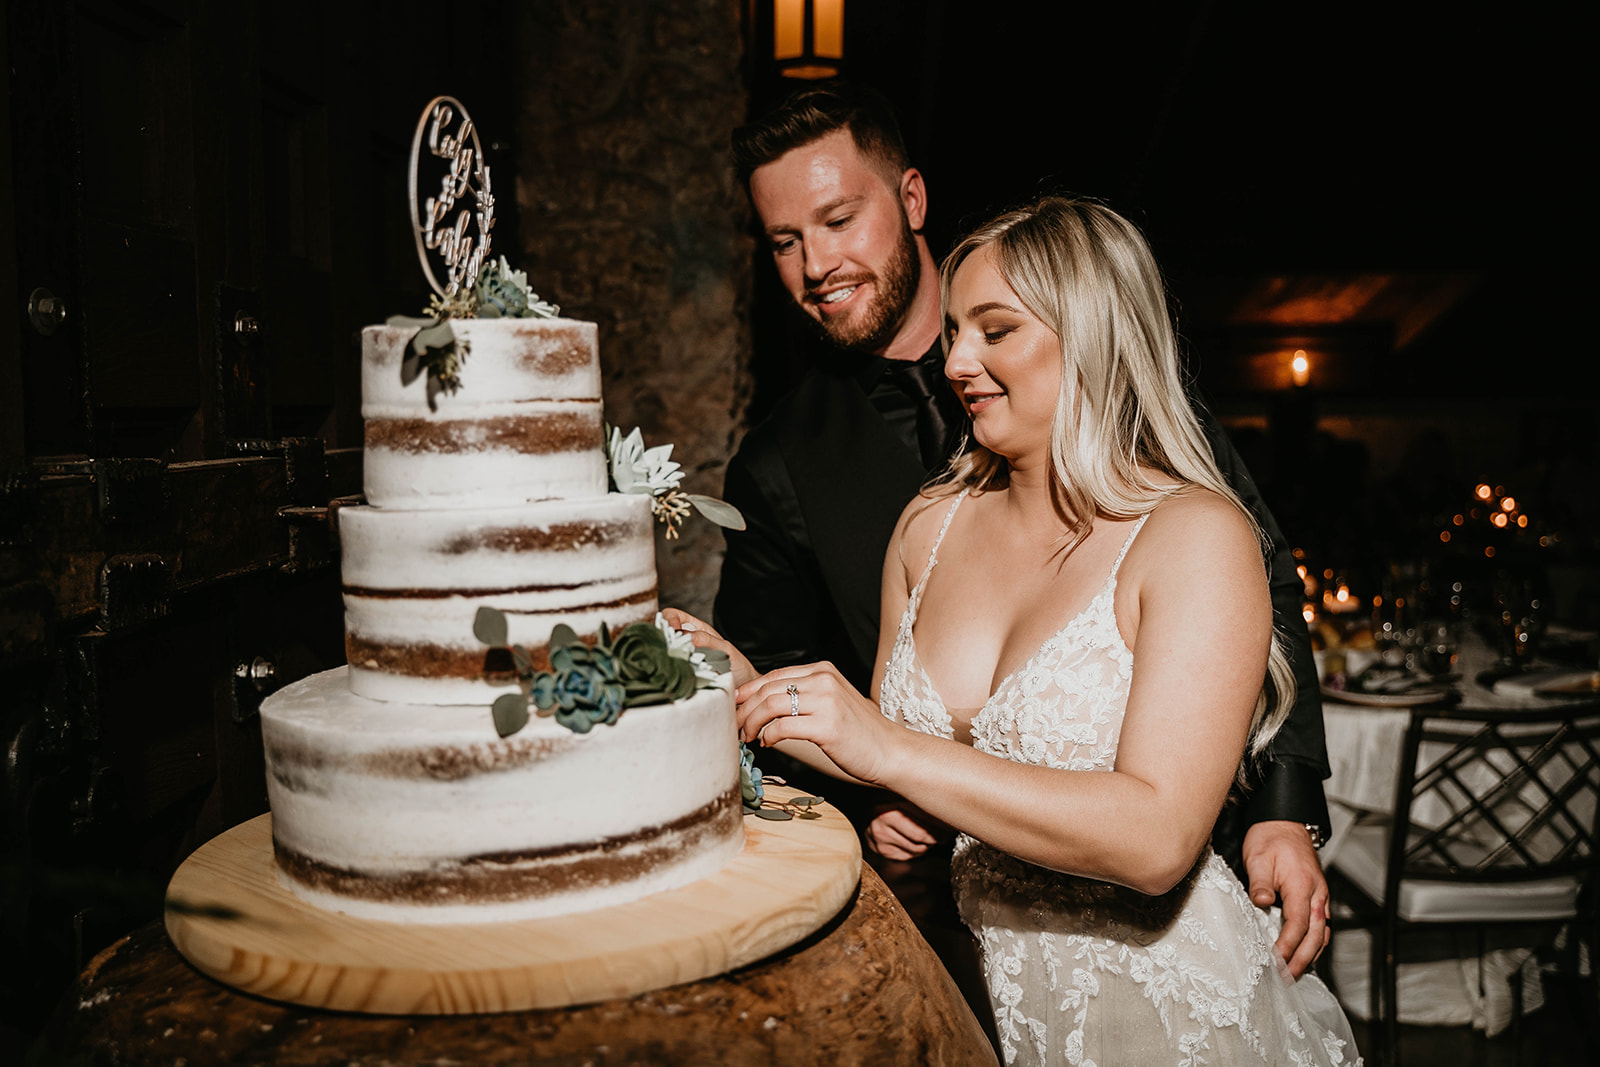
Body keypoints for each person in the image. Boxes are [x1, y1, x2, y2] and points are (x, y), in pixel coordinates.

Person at [673, 196, 1360, 1064]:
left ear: (1093, 334)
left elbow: (1156, 839)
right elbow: (902, 762)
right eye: (956, 329)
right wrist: (736, 683)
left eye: (995, 331)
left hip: (1161, 1015)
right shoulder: (930, 524)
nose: (956, 361)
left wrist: (890, 752)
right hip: (972, 998)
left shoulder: (1194, 534)